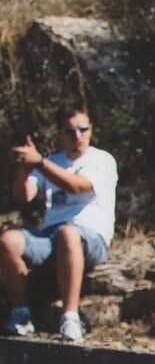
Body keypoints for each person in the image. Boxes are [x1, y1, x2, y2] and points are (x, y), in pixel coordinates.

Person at [2, 105, 118, 341]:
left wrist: (40, 162)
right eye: (70, 131)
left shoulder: (102, 160)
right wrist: (26, 169)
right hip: (50, 237)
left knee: (69, 233)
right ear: (59, 134)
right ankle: (21, 313)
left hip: (90, 238)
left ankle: (70, 317)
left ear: (91, 130)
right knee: (8, 240)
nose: (78, 136)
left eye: (83, 129)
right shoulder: (53, 161)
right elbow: (23, 196)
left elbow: (77, 185)